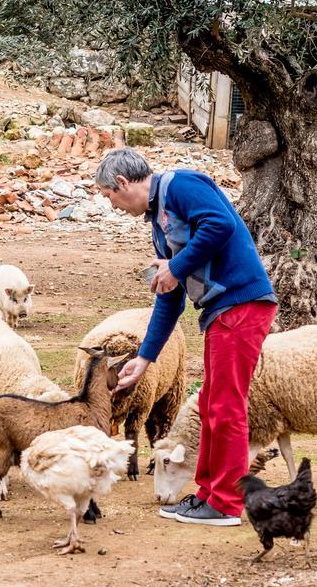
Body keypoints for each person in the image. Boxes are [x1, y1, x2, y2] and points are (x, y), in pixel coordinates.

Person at [96, 147, 276, 526]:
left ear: (123, 183)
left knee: (226, 406)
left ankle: (226, 504)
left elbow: (219, 224)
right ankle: (208, 494)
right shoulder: (160, 231)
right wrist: (143, 359)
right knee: (212, 404)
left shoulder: (181, 185)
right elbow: (169, 299)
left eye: (108, 195)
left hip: (241, 303)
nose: (111, 206)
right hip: (218, 313)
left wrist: (176, 266)